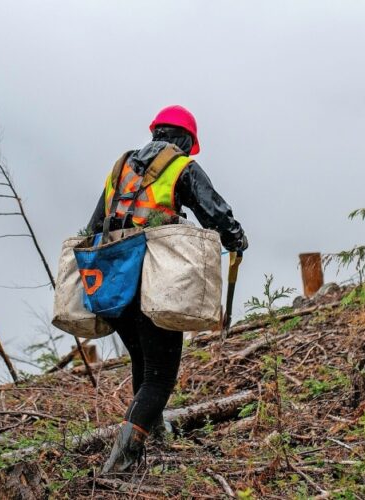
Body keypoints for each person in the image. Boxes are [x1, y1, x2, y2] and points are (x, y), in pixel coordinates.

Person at [87, 105, 247, 474]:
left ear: (156, 131)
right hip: (154, 280)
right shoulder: (180, 167)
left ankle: (155, 436)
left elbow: (95, 224)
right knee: (160, 375)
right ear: (187, 140)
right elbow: (215, 213)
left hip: (113, 281)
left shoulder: (121, 167)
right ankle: (120, 464)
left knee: (144, 363)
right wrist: (237, 238)